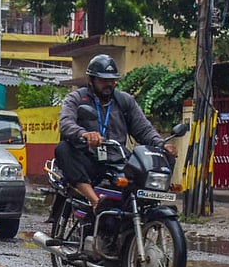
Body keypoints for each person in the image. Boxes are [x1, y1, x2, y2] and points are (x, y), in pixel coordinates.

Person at [55, 54, 177, 211]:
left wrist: (162, 144)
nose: (109, 84)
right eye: (103, 80)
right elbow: (65, 123)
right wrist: (84, 134)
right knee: (63, 148)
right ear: (91, 80)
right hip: (88, 158)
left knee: (156, 161)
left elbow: (144, 129)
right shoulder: (76, 98)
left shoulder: (124, 101)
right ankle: (95, 201)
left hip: (117, 159)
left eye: (112, 80)